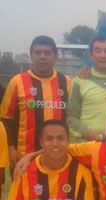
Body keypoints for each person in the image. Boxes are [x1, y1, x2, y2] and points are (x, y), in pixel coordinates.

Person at [1, 35, 70, 168]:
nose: (42, 56)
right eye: (38, 52)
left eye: (47, 53)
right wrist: (11, 148)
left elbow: (72, 116)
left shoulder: (66, 82)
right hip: (24, 156)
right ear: (31, 56)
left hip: (57, 154)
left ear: (55, 57)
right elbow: (6, 118)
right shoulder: (17, 81)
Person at [67, 37, 106, 142]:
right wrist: (88, 133)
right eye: (97, 51)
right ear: (91, 56)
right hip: (85, 144)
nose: (103, 55)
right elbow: (71, 117)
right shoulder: (80, 80)